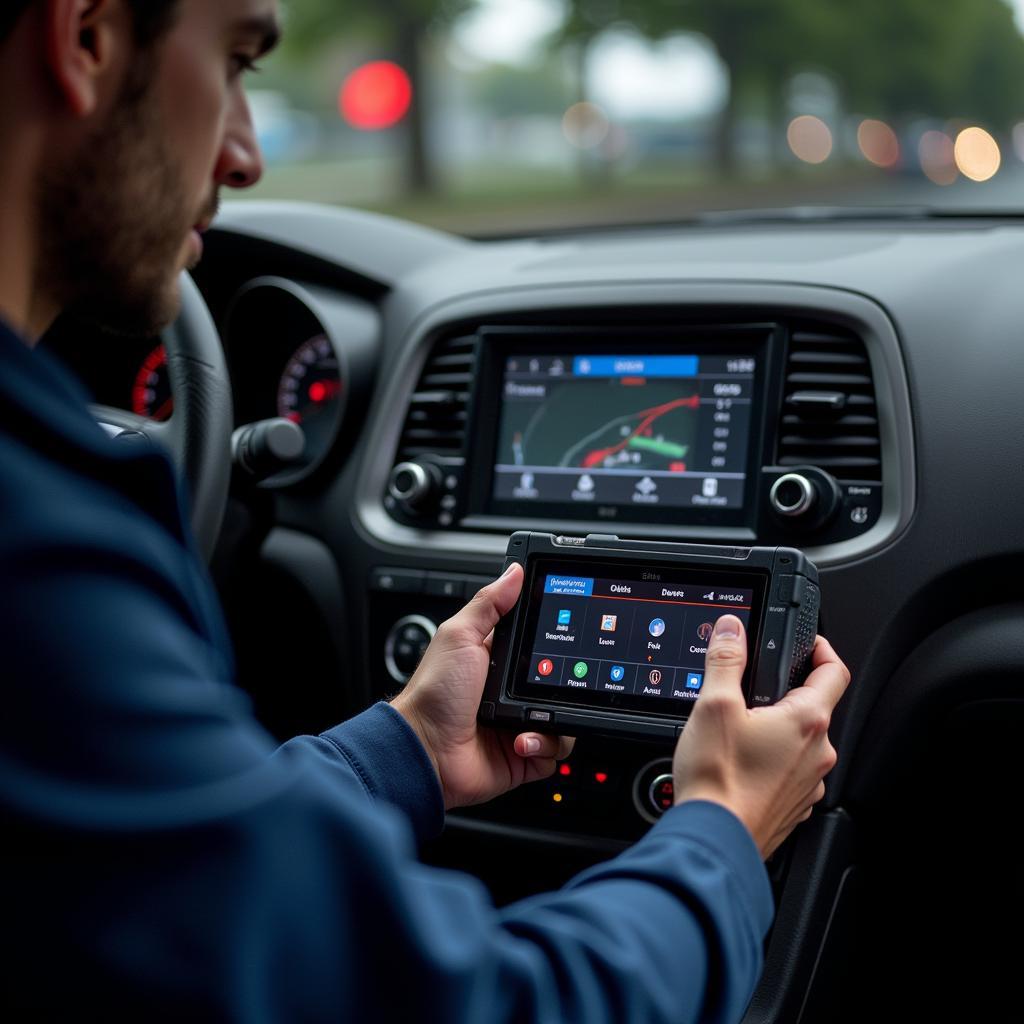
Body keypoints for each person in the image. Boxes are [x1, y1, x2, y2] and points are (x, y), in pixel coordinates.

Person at [0, 1, 850, 1019]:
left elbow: (162, 876)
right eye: (233, 65)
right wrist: (723, 832)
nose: (244, 155)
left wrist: (402, 746)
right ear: (85, 36)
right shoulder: (36, 545)